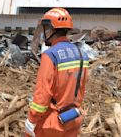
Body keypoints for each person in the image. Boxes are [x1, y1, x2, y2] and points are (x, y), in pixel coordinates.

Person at [25, 8, 89, 137]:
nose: (45, 32)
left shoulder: (50, 55)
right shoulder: (82, 54)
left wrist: (32, 120)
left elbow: (43, 94)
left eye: (46, 28)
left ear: (52, 29)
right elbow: (81, 87)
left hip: (53, 122)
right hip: (73, 117)